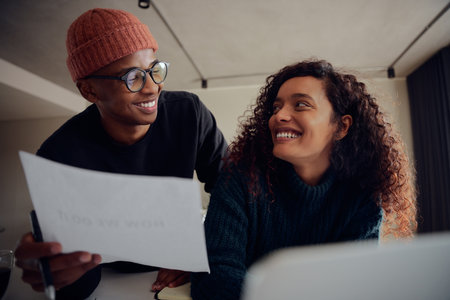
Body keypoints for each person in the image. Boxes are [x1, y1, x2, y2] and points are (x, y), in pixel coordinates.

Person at [14, 8, 227, 300]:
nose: (153, 87)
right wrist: (57, 273)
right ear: (90, 91)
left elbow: (233, 191)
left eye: (154, 69)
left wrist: (203, 250)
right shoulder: (59, 155)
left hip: (182, 269)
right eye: (132, 77)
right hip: (114, 281)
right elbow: (77, 283)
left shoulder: (189, 113)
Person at [190, 60, 417, 299]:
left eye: (300, 105)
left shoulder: (363, 196)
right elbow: (215, 276)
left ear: (341, 126)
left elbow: (354, 285)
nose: (279, 116)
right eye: (276, 108)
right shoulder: (239, 178)